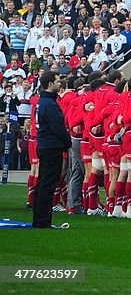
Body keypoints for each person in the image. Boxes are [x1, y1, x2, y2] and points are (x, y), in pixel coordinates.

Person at [33, 71, 71, 228]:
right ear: (50, 84)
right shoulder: (49, 104)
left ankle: (39, 219)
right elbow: (58, 128)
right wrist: (67, 142)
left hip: (44, 145)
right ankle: (43, 221)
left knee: (42, 183)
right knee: (48, 184)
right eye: (57, 81)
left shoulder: (42, 102)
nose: (59, 83)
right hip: (51, 147)